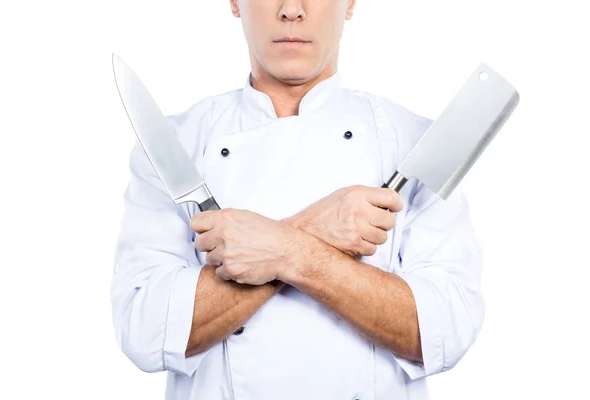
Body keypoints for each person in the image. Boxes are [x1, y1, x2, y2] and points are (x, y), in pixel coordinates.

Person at [110, 1, 485, 399]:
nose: (291, 9)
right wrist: (312, 228)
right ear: (235, 3)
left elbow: (445, 329)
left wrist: (288, 252)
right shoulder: (174, 148)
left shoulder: (415, 145)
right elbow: (145, 331)